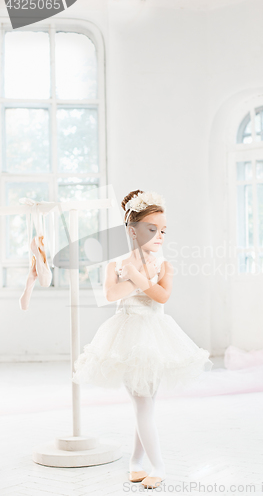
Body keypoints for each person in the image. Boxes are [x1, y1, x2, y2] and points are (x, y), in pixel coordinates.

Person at [72, 189, 213, 489]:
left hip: (156, 336)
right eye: (152, 229)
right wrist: (134, 276)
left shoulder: (164, 265)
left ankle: (136, 462)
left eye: (163, 230)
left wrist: (137, 278)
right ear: (132, 231)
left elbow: (162, 295)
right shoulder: (115, 265)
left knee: (146, 403)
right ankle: (157, 466)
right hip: (127, 336)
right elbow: (110, 295)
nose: (160, 235)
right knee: (142, 404)